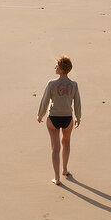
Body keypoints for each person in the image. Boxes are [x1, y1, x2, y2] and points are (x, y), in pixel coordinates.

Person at [37, 56, 82, 184]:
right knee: (66, 143)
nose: (55, 68)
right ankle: (65, 169)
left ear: (61, 69)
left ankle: (56, 178)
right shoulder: (73, 84)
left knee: (55, 148)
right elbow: (77, 103)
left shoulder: (52, 83)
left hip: (53, 119)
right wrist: (78, 117)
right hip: (68, 118)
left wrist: (40, 115)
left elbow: (45, 101)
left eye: (56, 66)